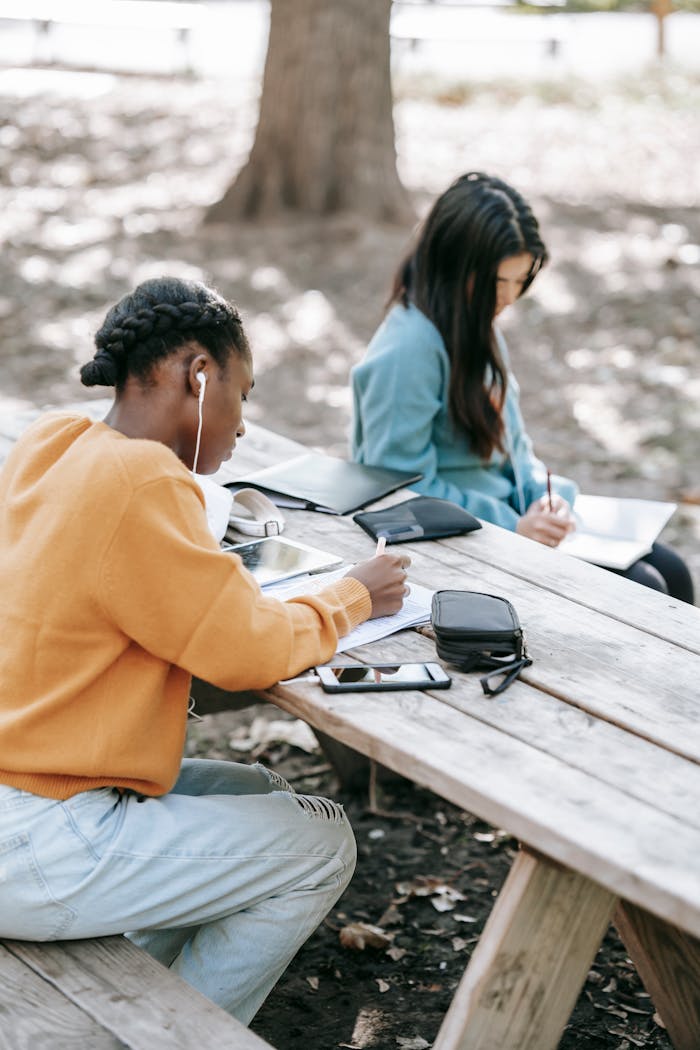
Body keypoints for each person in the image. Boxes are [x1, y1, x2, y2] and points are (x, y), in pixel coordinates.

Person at [0, 276, 412, 1024]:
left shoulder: (52, 444)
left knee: (257, 793)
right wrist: (355, 596)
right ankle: (168, 1035)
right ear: (197, 375)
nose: (244, 424)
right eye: (242, 394)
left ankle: (135, 1000)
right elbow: (245, 651)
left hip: (25, 791)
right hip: (37, 836)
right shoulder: (144, 477)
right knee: (320, 843)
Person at [351, 171, 693, 604]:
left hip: (509, 525)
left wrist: (547, 501)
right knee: (646, 589)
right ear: (454, 265)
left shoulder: (475, 326)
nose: (510, 297)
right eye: (498, 283)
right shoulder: (408, 350)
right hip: (456, 542)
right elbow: (399, 488)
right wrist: (511, 526)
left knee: (672, 571)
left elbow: (515, 449)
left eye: (521, 281)